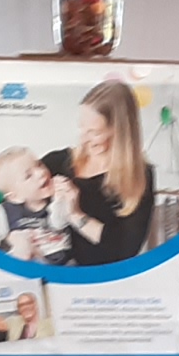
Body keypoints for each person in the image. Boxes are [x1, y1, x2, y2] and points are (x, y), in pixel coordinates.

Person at [37, 78, 159, 267]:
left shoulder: (140, 177)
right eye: (82, 127)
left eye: (94, 132)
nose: (84, 139)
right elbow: (14, 205)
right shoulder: (56, 162)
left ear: (119, 132)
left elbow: (125, 250)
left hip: (101, 280)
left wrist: (75, 214)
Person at [0, 147, 70, 264]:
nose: (40, 173)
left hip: (62, 264)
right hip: (26, 266)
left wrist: (60, 198)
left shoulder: (56, 200)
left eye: (39, 165)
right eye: (28, 176)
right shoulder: (6, 211)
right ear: (15, 197)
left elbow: (59, 224)